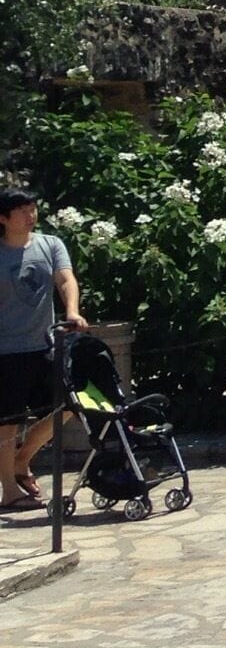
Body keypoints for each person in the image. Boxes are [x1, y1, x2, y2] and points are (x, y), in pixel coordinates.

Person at [0, 190, 88, 511]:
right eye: (21, 211)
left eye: (32, 209)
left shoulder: (50, 244)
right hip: (5, 351)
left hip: (44, 345)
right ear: (4, 218)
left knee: (66, 405)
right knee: (7, 422)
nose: (30, 215)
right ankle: (9, 490)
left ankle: (22, 460)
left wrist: (72, 311)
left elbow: (66, 279)